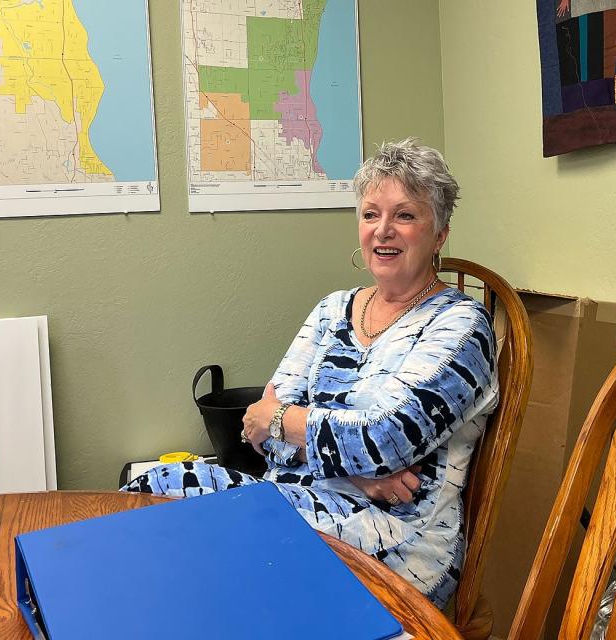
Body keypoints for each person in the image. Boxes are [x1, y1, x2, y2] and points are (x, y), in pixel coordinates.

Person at [123, 138, 499, 608]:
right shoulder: (332, 310)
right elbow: (258, 430)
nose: (383, 231)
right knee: (147, 489)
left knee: (198, 563)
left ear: (439, 233)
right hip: (293, 499)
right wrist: (358, 470)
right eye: (370, 214)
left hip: (392, 541)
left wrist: (292, 424)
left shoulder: (462, 325)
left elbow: (383, 438)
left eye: (405, 215)